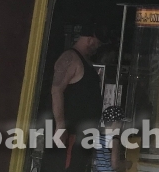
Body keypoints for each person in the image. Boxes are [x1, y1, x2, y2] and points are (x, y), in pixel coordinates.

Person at [45, 21, 111, 172]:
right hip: (70, 133)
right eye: (98, 44)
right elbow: (56, 90)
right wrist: (60, 125)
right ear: (89, 39)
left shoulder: (84, 61)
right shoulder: (70, 58)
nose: (97, 47)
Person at [93, 105, 124, 172]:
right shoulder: (114, 139)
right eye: (121, 122)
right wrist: (125, 164)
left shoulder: (97, 137)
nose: (122, 125)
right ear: (115, 122)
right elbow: (114, 163)